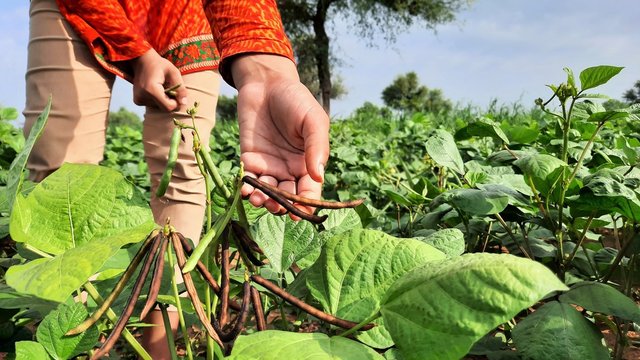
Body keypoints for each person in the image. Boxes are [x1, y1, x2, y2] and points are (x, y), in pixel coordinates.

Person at [23, 0, 329, 358]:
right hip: (77, 6)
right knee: (57, 175)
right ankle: (62, 343)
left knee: (183, 173)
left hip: (182, 11)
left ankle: (160, 351)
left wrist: (266, 72)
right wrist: (138, 54)